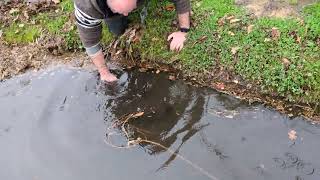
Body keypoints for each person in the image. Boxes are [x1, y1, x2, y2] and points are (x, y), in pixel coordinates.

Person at [74, 0, 191, 82]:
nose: (126, 14)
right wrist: (104, 72)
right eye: (120, 10)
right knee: (117, 30)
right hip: (105, 9)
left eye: (128, 10)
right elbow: (90, 42)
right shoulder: (87, 6)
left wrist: (183, 31)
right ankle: (120, 12)